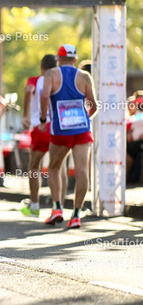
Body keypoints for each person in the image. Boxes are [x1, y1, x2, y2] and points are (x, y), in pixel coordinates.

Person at [40, 44, 97, 228]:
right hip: (82, 130)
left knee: (54, 167)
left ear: (59, 58)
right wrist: (83, 119)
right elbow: (94, 105)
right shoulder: (85, 76)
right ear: (75, 59)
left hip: (61, 130)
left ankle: (57, 208)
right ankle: (76, 215)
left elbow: (45, 96)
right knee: (82, 171)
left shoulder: (51, 74)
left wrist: (43, 119)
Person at [20, 54, 59, 217]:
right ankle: (58, 207)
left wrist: (25, 115)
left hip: (41, 127)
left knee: (34, 167)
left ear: (41, 67)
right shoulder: (60, 81)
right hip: (58, 127)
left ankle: (35, 206)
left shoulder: (35, 80)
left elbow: (29, 90)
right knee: (58, 168)